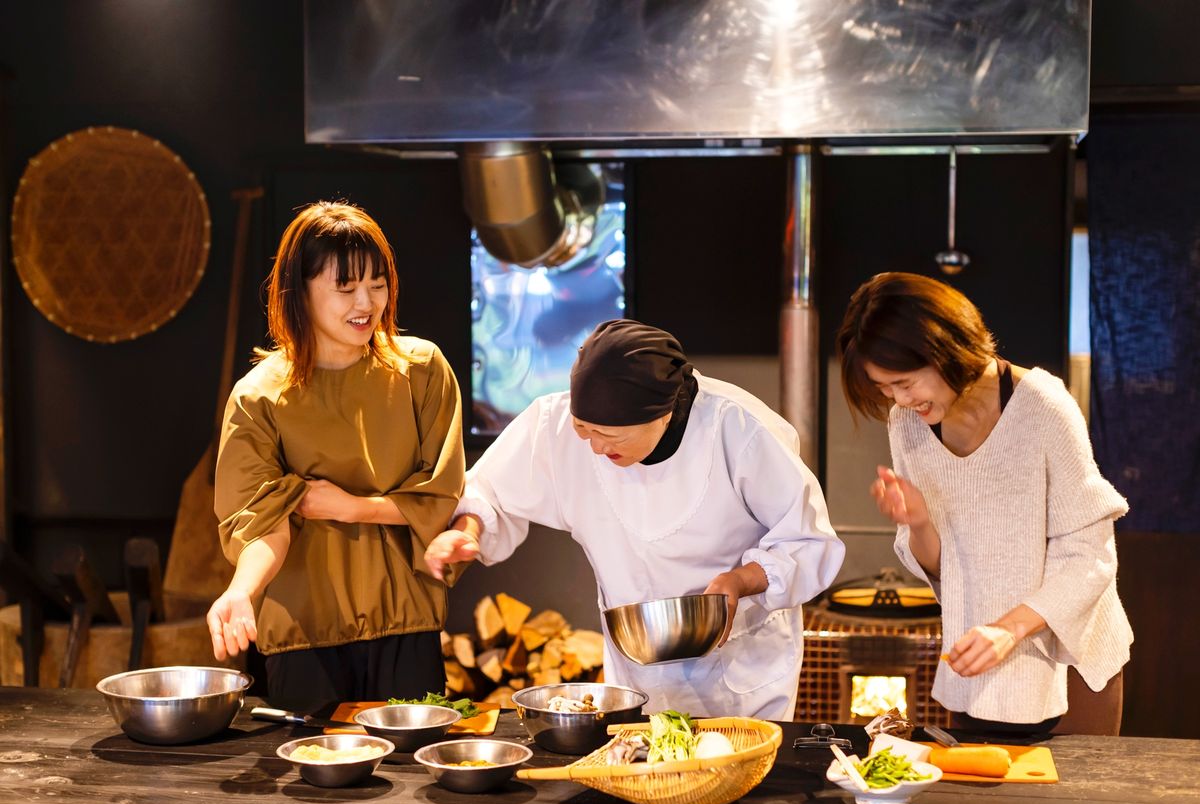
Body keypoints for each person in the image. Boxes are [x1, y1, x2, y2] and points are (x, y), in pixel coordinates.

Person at [424, 319, 844, 720]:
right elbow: (491, 491)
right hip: (634, 664)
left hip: (740, 667)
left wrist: (740, 581)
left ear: (662, 415)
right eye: (584, 429)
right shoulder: (553, 426)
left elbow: (806, 542)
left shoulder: (738, 430)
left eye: (611, 435)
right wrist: (467, 531)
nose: (594, 446)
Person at [836, 272, 1133, 735]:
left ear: (944, 349)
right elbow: (942, 568)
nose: (900, 400)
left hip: (1067, 661)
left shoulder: (1041, 405)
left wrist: (1009, 630)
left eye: (905, 382)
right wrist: (917, 523)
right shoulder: (908, 425)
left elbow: (1091, 557)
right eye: (885, 389)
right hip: (979, 663)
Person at [205, 201, 465, 712]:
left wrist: (351, 507)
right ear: (298, 292)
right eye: (345, 289)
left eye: (377, 283)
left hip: (405, 623)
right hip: (301, 633)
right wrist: (240, 590)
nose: (365, 302)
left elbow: (438, 496)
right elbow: (262, 525)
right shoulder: (260, 396)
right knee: (307, 781)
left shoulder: (422, 371)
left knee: (411, 783)